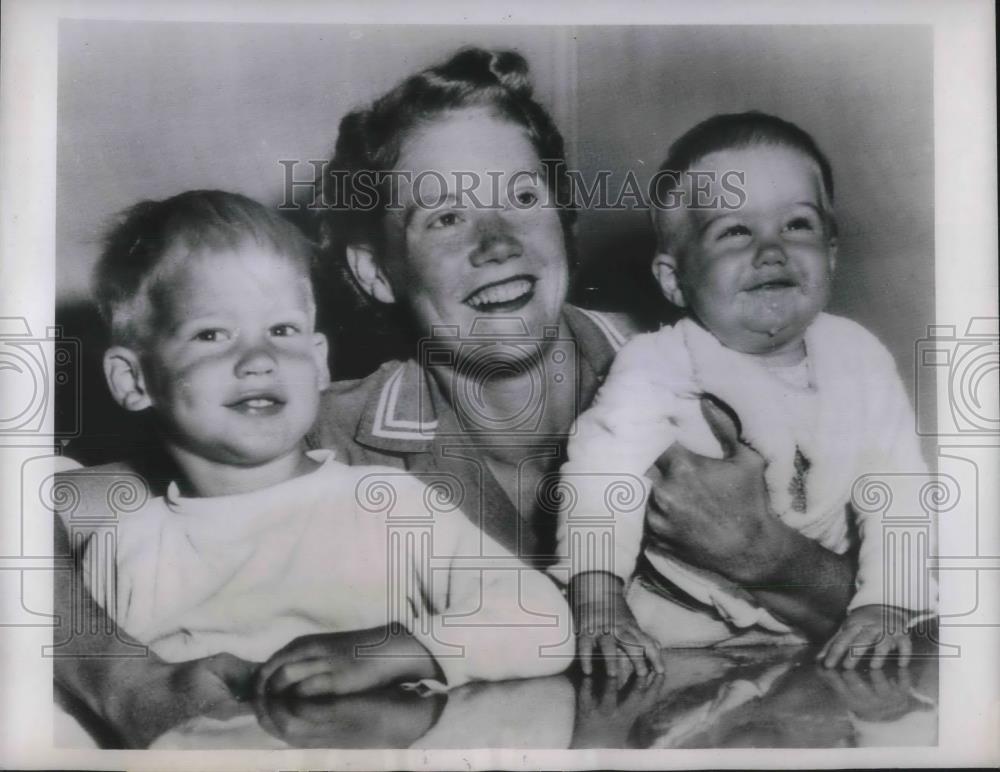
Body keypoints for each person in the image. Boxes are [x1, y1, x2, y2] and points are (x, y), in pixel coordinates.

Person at [53, 48, 861, 747]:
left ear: (562, 222)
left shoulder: (712, 379)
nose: (497, 243)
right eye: (444, 216)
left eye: (520, 198)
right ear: (376, 272)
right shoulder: (313, 434)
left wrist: (773, 558)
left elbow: (950, 619)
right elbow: (50, 509)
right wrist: (124, 682)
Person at [56, 189, 573, 721]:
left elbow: (545, 619)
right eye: (211, 334)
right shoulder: (127, 548)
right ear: (134, 379)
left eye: (282, 330)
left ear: (320, 362)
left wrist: (393, 650)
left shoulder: (386, 507)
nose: (258, 358)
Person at [557, 112, 936, 668]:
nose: (772, 249)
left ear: (831, 255)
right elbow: (599, 480)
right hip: (677, 623)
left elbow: (900, 489)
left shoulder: (860, 358)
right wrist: (598, 601)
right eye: (735, 231)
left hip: (821, 626)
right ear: (674, 280)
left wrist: (885, 605)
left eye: (798, 225)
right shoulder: (660, 363)